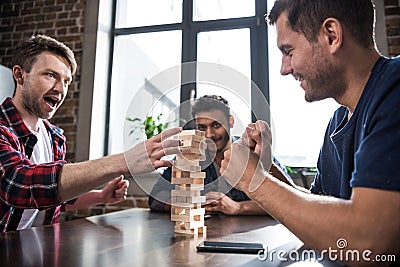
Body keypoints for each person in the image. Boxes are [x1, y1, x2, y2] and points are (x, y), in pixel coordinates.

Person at [220, 0, 400, 265]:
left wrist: (251, 180)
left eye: (288, 51)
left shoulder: (394, 88)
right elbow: (322, 212)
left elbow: (369, 240)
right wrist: (265, 169)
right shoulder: (338, 121)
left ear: (331, 36)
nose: (284, 69)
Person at [0, 34, 181, 232]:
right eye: (50, 75)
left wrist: (100, 196)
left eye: (66, 81)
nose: (60, 89)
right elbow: (19, 185)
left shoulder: (54, 136)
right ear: (20, 75)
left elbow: (52, 194)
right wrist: (123, 161)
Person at [149, 95, 292, 215]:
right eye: (202, 128)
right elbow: (155, 198)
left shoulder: (252, 152)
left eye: (216, 125)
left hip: (253, 237)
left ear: (230, 121)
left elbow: (288, 201)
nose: (209, 134)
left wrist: (238, 207)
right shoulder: (191, 156)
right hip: (206, 238)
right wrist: (188, 204)